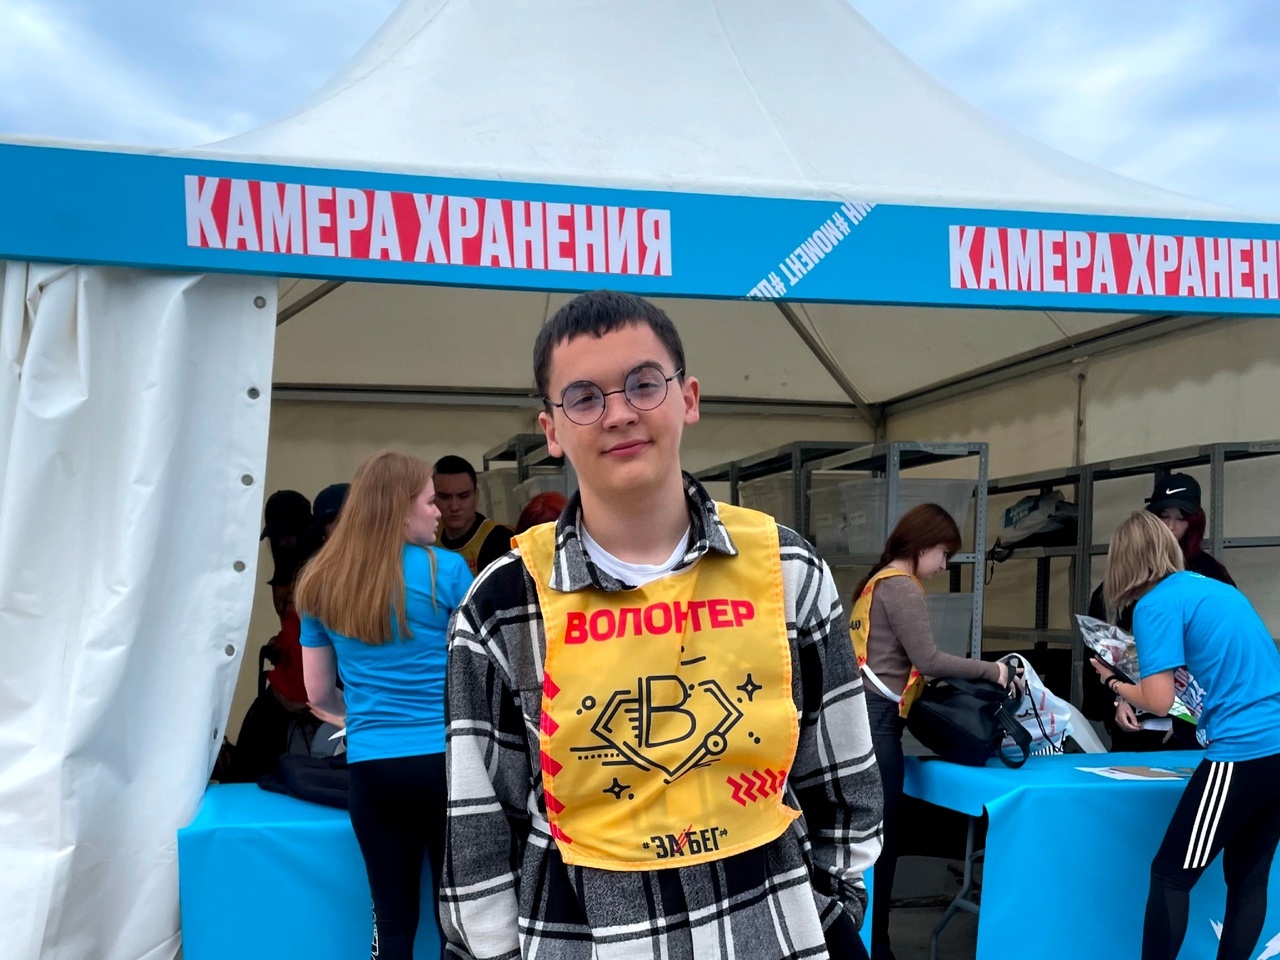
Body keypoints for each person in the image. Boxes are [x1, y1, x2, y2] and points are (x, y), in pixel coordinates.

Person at [442, 290, 883, 960]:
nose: (619, 412)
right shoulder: (502, 604)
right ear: (552, 430)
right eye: (585, 397)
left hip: (769, 931)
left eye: (644, 384)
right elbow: (478, 830)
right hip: (582, 942)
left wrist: (830, 910)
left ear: (688, 398)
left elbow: (842, 774)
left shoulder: (786, 570)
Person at [297, 452, 473, 960]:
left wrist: (362, 718)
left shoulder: (320, 581)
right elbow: (479, 672)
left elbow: (317, 694)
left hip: (374, 767)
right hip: (448, 764)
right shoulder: (447, 570)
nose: (439, 512)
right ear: (400, 508)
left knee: (392, 925)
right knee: (457, 923)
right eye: (429, 501)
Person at [1092, 511, 1280, 960]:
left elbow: (1157, 701)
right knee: (1248, 878)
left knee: (1170, 875)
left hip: (1242, 750)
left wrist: (1113, 683)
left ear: (1121, 562)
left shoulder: (1154, 605)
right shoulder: (1214, 590)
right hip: (1274, 745)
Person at [852, 504, 1019, 960]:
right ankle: (877, 948)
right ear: (923, 545)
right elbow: (928, 659)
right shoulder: (903, 587)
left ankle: (868, 943)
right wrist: (993, 671)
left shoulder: (874, 582)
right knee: (883, 848)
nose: (945, 565)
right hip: (879, 728)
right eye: (944, 553)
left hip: (863, 723)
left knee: (867, 847)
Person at [1084, 473, 1234, 750]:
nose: (1171, 527)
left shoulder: (1206, 579)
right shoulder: (1119, 592)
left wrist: (1189, 715)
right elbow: (1105, 650)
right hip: (1141, 717)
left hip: (1207, 718)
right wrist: (1117, 699)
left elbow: (1216, 657)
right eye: (1164, 517)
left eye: (1181, 518)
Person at [432, 456, 515, 575]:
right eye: (444, 497)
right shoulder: (427, 535)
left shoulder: (499, 540)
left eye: (463, 496)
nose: (454, 507)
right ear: (432, 497)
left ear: (476, 496)